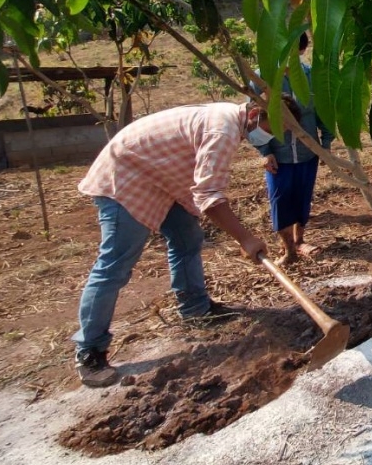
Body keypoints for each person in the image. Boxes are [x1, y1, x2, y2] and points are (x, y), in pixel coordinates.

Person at [73, 101, 282, 387]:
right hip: (126, 177)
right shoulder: (223, 129)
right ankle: (90, 349)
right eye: (272, 129)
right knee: (115, 265)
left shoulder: (227, 119)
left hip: (160, 179)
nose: (270, 137)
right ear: (256, 114)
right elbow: (210, 196)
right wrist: (245, 238)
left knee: (187, 238)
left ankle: (195, 307)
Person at [251, 37, 334, 265]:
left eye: (295, 53)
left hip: (308, 151)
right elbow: (254, 119)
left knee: (302, 196)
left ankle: (300, 241)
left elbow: (322, 111)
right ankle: (288, 250)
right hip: (280, 153)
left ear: (302, 51)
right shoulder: (262, 79)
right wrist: (265, 151)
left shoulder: (309, 76)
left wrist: (325, 143)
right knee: (280, 198)